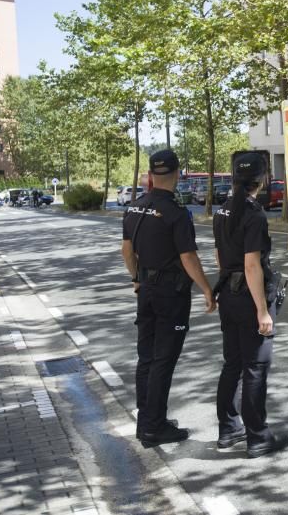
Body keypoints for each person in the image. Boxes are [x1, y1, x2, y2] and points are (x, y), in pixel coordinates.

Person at [121, 149, 215, 448]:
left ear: (150, 175)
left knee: (146, 358)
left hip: (146, 290)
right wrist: (206, 289)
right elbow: (187, 257)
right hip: (170, 294)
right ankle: (154, 428)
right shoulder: (176, 213)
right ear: (177, 175)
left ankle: (147, 420)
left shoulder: (135, 207)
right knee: (163, 360)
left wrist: (136, 279)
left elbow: (126, 251)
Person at [213, 152, 288, 459]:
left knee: (232, 363)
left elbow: (220, 257)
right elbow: (252, 265)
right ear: (262, 179)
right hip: (248, 298)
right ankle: (258, 437)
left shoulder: (223, 211)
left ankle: (228, 428)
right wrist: (262, 310)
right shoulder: (254, 214)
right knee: (255, 367)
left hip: (228, 297)